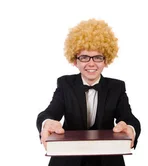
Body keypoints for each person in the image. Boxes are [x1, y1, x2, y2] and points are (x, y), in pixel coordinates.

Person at [36, 19, 141, 166]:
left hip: (106, 160)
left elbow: (130, 119)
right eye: (84, 57)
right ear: (75, 61)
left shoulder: (117, 87)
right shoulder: (65, 84)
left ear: (106, 60)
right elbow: (48, 114)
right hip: (68, 160)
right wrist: (47, 123)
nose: (91, 63)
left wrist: (129, 128)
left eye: (98, 57)